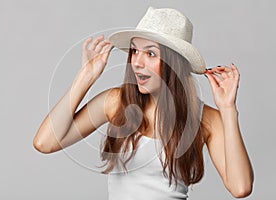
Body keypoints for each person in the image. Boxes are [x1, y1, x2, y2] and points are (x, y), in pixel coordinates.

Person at [33, 7, 254, 199]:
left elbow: (240, 187)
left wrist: (228, 110)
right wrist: (86, 77)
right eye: (135, 51)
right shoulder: (116, 103)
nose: (137, 62)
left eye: (150, 53)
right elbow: (45, 142)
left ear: (173, 62)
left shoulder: (206, 119)